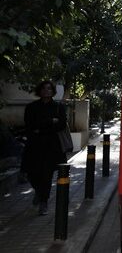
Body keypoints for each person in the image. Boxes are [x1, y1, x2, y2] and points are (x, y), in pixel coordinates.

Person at [23, 80, 68, 215]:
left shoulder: (58, 107)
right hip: (34, 146)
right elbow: (30, 125)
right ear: (40, 91)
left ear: (52, 91)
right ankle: (38, 192)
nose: (46, 91)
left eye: (49, 89)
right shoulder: (32, 107)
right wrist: (50, 122)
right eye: (44, 88)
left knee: (46, 175)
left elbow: (61, 125)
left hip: (51, 147)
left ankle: (44, 201)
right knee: (32, 173)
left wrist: (41, 126)